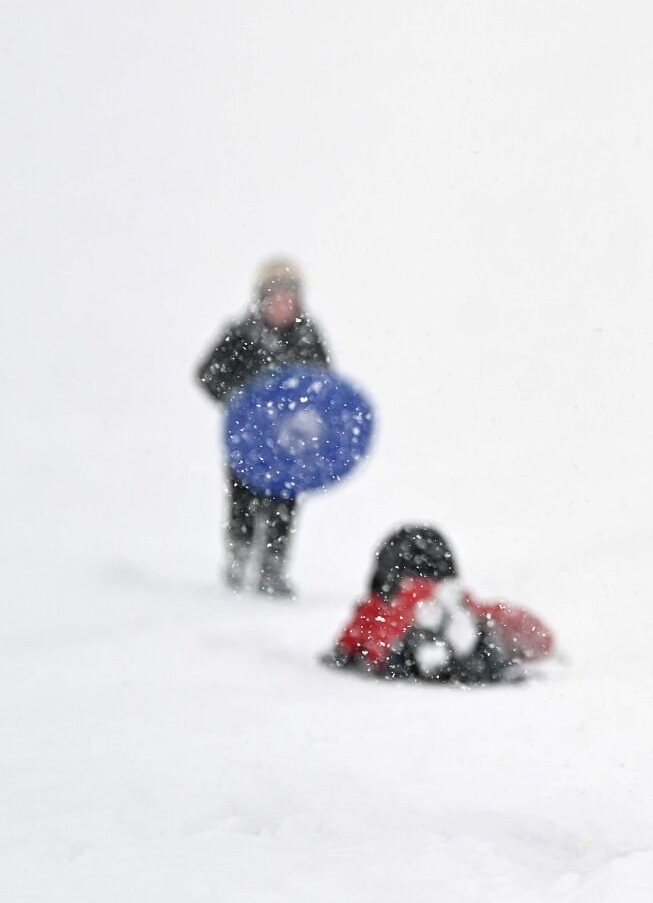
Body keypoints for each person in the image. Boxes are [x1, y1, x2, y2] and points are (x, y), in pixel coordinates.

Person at [196, 258, 330, 597]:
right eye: (274, 295)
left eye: (288, 295)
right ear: (262, 298)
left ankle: (273, 570)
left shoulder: (308, 337)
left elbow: (325, 387)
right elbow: (207, 374)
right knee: (243, 501)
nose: (281, 303)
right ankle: (239, 563)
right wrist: (240, 397)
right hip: (247, 442)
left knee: (283, 507)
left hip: (289, 444)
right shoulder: (241, 334)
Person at [327, 525, 555, 683]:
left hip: (401, 638)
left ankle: (427, 646)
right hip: (454, 624)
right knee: (482, 628)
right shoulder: (462, 601)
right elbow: (534, 634)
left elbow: (348, 643)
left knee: (387, 642)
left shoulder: (380, 607)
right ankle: (455, 643)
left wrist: (346, 653)